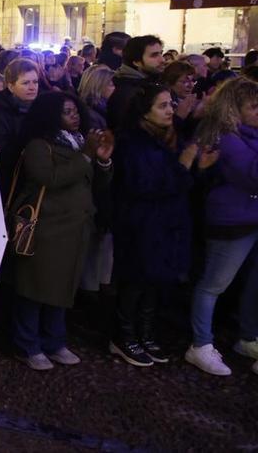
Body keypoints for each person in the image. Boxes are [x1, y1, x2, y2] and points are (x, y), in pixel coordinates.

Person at [7, 91, 112, 371]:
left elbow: (94, 184)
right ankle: (27, 344)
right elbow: (49, 178)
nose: (75, 116)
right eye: (67, 112)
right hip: (46, 228)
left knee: (62, 288)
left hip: (75, 227)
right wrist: (87, 156)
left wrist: (102, 161)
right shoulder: (39, 145)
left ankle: (55, 341)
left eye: (76, 110)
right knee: (34, 287)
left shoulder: (79, 143)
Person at [108, 83, 195, 368]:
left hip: (165, 222)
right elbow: (145, 185)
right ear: (144, 112)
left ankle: (145, 333)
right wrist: (184, 167)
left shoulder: (167, 137)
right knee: (136, 281)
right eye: (162, 106)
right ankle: (125, 337)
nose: (171, 110)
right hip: (140, 223)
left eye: (171, 104)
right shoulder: (133, 143)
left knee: (154, 282)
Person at [185, 77, 258, 376]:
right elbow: (252, 174)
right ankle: (201, 344)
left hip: (252, 216)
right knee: (214, 283)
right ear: (234, 109)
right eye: (253, 107)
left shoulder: (250, 134)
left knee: (254, 282)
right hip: (231, 220)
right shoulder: (223, 136)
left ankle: (248, 336)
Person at [0, 59, 40, 194]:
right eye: (25, 83)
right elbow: (0, 151)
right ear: (11, 86)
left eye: (35, 82)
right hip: (8, 183)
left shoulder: (39, 107)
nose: (32, 87)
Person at [108, 35, 165, 132]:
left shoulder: (150, 83)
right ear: (136, 62)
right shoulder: (128, 91)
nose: (162, 60)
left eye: (161, 53)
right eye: (154, 55)